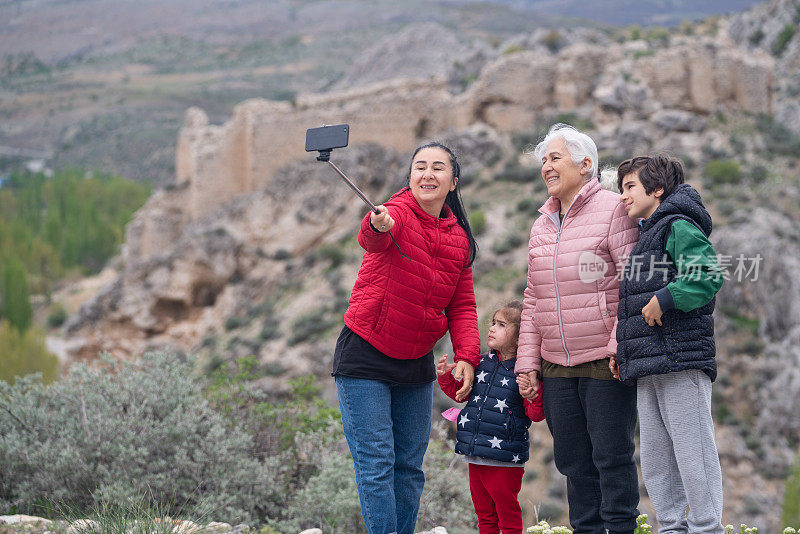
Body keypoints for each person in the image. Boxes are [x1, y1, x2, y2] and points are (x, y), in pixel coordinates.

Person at [333, 142, 481, 534]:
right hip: (365, 355)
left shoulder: (459, 240)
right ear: (410, 176)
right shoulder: (393, 213)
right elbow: (373, 235)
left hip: (416, 362)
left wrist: (467, 355)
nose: (427, 174)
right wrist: (375, 224)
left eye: (437, 168)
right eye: (419, 167)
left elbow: (462, 305)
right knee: (376, 464)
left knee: (409, 468)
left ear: (452, 182)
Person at [515, 124, 640, 534]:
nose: (547, 167)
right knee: (572, 462)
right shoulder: (541, 224)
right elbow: (533, 298)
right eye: (544, 161)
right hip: (554, 366)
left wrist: (617, 345)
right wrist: (527, 362)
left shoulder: (613, 209)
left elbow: (632, 282)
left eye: (555, 158)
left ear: (586, 165)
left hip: (604, 361)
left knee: (611, 458)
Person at [611, 154, 724, 534]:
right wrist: (625, 350)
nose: (623, 196)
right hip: (649, 363)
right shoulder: (648, 234)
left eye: (629, 187)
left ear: (656, 189)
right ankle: (672, 528)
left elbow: (706, 275)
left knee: (693, 452)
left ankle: (707, 528)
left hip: (681, 359)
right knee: (658, 458)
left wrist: (667, 297)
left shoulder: (678, 225)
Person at [437, 301, 544, 534]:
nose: (492, 328)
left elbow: (536, 415)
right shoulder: (482, 362)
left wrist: (533, 395)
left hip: (505, 459)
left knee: (507, 515)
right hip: (475, 454)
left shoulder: (526, 371)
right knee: (484, 516)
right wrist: (446, 377)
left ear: (520, 337)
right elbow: (460, 393)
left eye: (501, 324)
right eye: (493, 323)